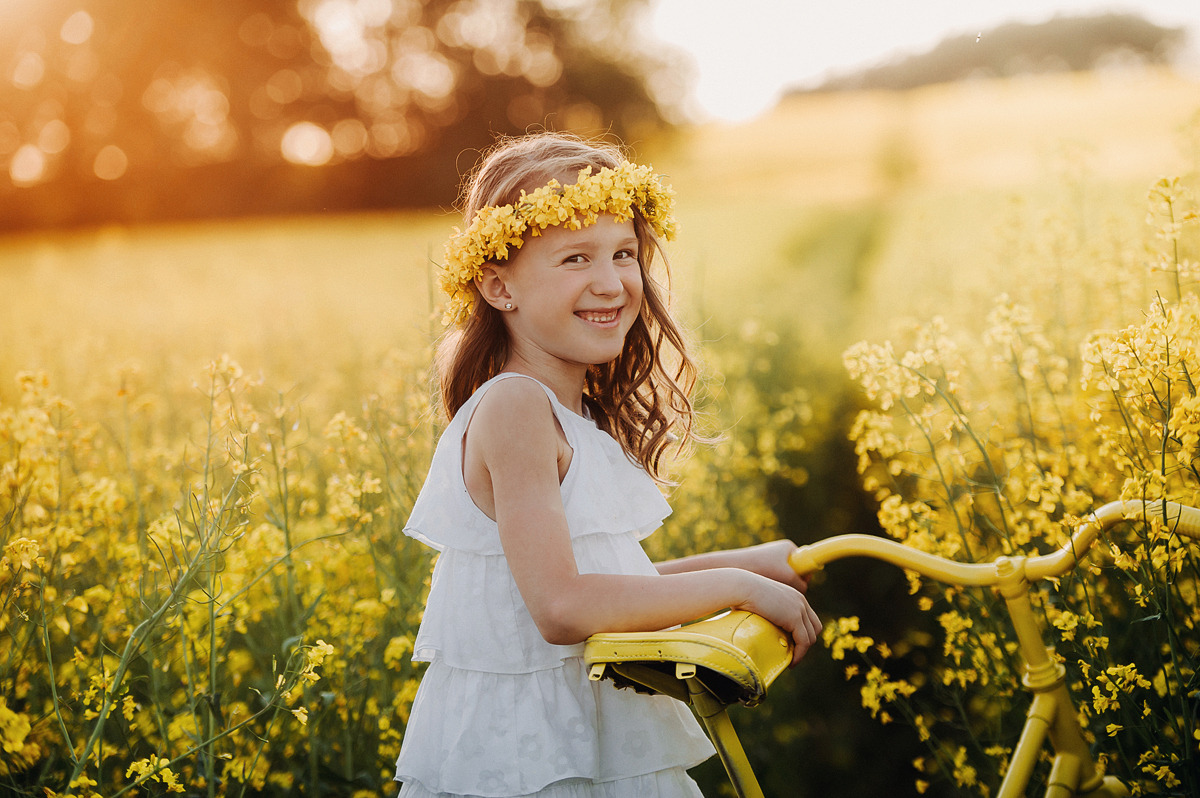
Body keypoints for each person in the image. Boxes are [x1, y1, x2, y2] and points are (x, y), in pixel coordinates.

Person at [394, 132, 821, 797]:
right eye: (574, 258)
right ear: (498, 285)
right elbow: (563, 606)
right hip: (535, 762)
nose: (611, 281)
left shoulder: (571, 411)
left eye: (624, 253)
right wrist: (740, 588)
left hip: (584, 735)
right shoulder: (515, 408)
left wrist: (744, 563)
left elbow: (607, 580)